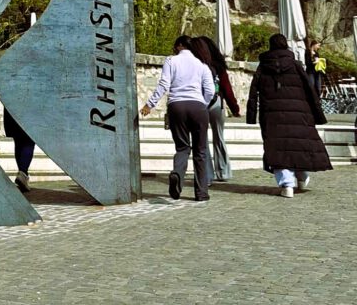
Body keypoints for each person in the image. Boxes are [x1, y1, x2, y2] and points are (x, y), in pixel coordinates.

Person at [246, 33, 332, 198]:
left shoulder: (263, 67)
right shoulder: (295, 65)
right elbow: (310, 90)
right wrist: (318, 115)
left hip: (272, 114)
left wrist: (251, 117)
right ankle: (302, 177)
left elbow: (253, 92)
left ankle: (287, 185)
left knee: (277, 148)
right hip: (299, 112)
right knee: (298, 145)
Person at [140, 35, 215, 202]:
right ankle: (201, 193)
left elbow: (164, 84)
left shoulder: (171, 61)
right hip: (198, 107)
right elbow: (210, 91)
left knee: (182, 148)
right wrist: (202, 104)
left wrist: (149, 104)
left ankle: (178, 175)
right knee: (200, 151)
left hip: (176, 106)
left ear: (179, 45)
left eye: (175, 46)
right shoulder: (202, 65)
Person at [193, 36, 241, 182]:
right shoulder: (218, 66)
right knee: (219, 137)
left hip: (199, 103)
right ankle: (223, 171)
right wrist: (234, 108)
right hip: (216, 103)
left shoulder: (195, 64)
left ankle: (206, 174)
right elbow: (227, 88)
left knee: (201, 140)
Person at [3, 106, 35, 192]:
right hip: (28, 109)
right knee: (29, 141)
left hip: (11, 109)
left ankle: (22, 174)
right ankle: (23, 173)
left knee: (18, 140)